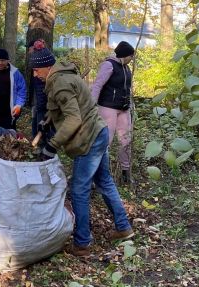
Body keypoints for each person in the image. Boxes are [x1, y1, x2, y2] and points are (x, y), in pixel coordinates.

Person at [29, 42, 134, 257]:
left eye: (36, 70)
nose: (34, 74)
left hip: (89, 139)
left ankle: (82, 243)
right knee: (104, 181)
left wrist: (52, 145)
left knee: (79, 190)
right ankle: (123, 227)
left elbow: (74, 118)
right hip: (99, 132)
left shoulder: (60, 83)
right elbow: (68, 107)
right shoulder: (62, 76)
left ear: (47, 67)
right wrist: (48, 120)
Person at [91, 41, 135, 184]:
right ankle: (98, 172)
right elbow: (97, 85)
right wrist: (92, 104)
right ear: (124, 55)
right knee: (106, 140)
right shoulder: (109, 65)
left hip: (124, 108)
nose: (132, 58)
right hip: (108, 107)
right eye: (130, 56)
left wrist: (130, 103)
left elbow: (127, 88)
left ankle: (125, 173)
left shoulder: (126, 68)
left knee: (126, 140)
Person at [27, 39, 54, 151]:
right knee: (38, 123)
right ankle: (39, 142)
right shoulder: (37, 65)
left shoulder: (42, 65)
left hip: (43, 104)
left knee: (44, 125)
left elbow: (42, 89)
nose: (29, 51)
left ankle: (45, 145)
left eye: (30, 49)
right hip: (39, 103)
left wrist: (42, 106)